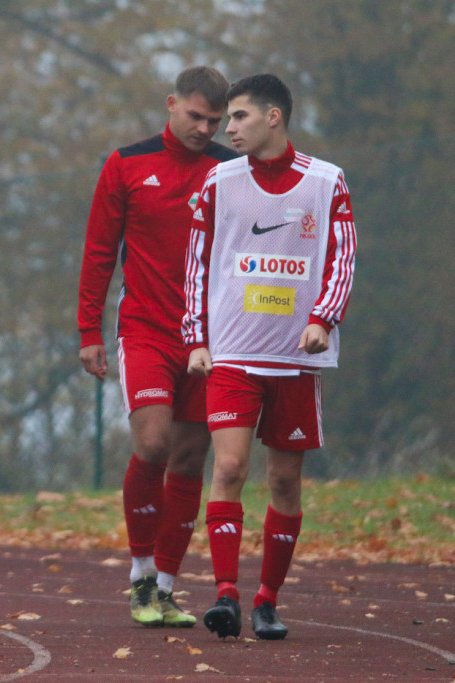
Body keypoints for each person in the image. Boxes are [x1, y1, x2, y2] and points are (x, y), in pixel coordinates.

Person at [182, 73, 356, 640]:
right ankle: (227, 596)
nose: (226, 128)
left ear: (272, 117)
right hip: (231, 353)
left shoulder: (327, 181)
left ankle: (267, 601)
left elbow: (342, 258)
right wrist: (197, 337)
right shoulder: (217, 181)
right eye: (227, 119)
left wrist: (321, 319)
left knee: (285, 483)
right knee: (229, 467)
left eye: (238, 117)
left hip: (296, 361)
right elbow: (198, 262)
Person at [77, 66, 234, 627]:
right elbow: (99, 250)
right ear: (171, 105)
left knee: (192, 456)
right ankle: (140, 573)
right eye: (195, 115)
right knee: (153, 444)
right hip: (143, 327)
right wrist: (88, 332)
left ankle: (166, 586)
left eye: (214, 120)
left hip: (209, 337)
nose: (203, 127)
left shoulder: (229, 170)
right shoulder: (126, 163)